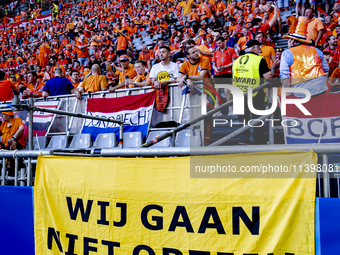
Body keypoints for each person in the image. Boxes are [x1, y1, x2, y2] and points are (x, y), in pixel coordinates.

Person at [232, 39, 278, 144]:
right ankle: (259, 140)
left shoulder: (237, 60)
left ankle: (244, 140)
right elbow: (269, 76)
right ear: (253, 48)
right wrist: (274, 67)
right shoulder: (259, 59)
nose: (260, 48)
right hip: (255, 93)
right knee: (258, 118)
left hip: (239, 93)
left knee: (243, 119)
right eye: (258, 46)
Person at [281, 17, 329, 97]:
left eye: (289, 40)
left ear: (293, 41)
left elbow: (284, 74)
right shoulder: (316, 50)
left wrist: (288, 92)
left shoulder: (287, 53)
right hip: (320, 87)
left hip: (299, 90)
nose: (288, 42)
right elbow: (326, 69)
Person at [177, 45, 214, 145]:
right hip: (194, 95)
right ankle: (197, 140)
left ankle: (206, 142)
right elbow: (178, 78)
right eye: (193, 52)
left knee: (208, 118)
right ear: (188, 56)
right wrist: (185, 78)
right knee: (196, 118)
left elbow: (201, 76)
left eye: (196, 51)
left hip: (207, 92)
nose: (196, 53)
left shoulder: (205, 59)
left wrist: (188, 77)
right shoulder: (184, 64)